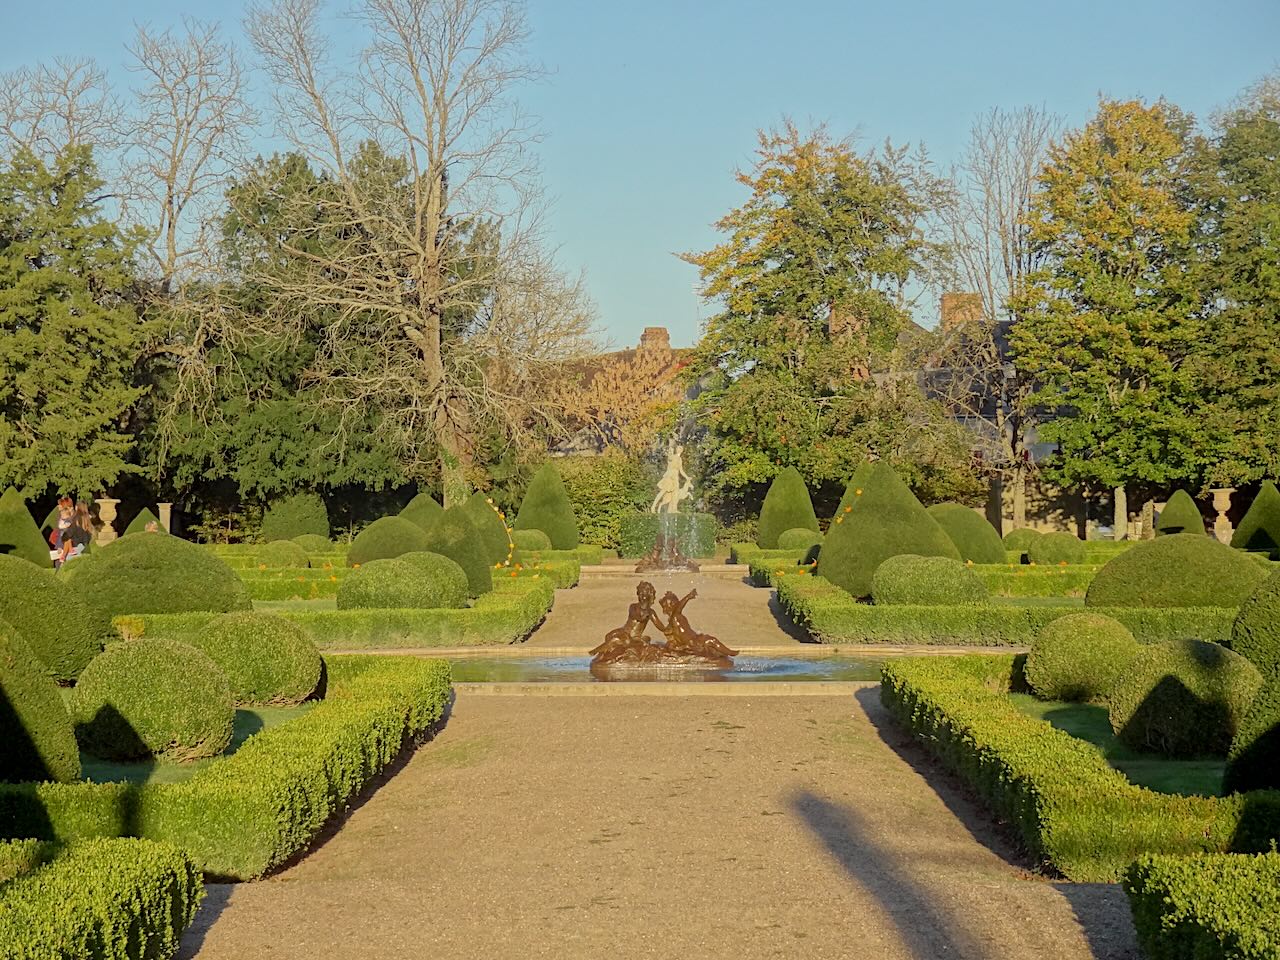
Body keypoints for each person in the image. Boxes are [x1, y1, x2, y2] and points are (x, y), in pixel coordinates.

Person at [589, 581, 665, 664]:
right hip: (624, 631)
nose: (642, 594)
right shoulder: (633, 606)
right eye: (641, 592)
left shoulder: (651, 612)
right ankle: (603, 653)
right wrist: (643, 616)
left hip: (634, 637)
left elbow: (660, 626)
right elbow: (635, 615)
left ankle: (596, 650)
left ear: (649, 594)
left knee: (615, 640)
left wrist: (669, 628)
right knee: (609, 636)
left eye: (645, 592)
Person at [657, 588, 738, 660]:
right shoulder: (675, 617)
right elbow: (679, 608)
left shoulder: (674, 619)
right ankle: (730, 652)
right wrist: (688, 597)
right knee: (711, 640)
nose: (677, 603)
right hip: (693, 642)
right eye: (673, 603)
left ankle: (725, 654)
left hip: (695, 639)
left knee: (711, 644)